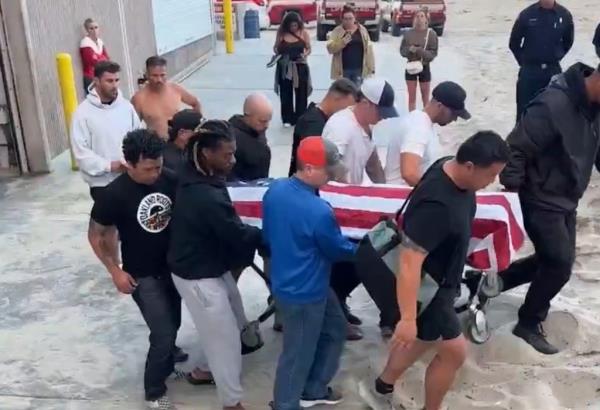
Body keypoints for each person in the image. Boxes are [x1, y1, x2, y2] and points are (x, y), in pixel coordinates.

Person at [359, 131, 510, 410]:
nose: (493, 182)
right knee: (454, 352)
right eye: (491, 175)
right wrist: (406, 318)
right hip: (429, 287)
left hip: (444, 278)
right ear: (469, 167)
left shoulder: (447, 164)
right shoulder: (438, 207)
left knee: (422, 339)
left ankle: (382, 387)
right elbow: (409, 262)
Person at [498, 63, 600, 355]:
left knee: (552, 260)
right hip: (538, 196)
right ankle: (528, 322)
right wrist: (511, 195)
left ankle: (490, 283)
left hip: (566, 197)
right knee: (558, 265)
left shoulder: (595, 109)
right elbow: (515, 148)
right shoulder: (553, 103)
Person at [168, 123, 267, 410]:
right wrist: (267, 234)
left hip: (209, 263)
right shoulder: (204, 195)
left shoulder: (197, 174)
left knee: (234, 317)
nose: (233, 160)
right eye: (227, 155)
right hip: (197, 275)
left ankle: (202, 370)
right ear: (207, 153)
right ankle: (231, 403)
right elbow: (235, 233)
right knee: (224, 340)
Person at [88, 129, 187, 410]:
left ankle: (166, 368)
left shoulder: (169, 179)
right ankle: (154, 392)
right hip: (142, 276)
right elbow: (96, 235)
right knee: (163, 333)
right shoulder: (113, 195)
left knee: (174, 325)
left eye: (158, 166)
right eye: (148, 169)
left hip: (172, 270)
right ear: (129, 164)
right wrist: (115, 271)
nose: (155, 173)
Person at [264, 136, 357, 410]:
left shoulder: (275, 191)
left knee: (336, 329)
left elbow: (269, 236)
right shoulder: (319, 211)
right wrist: (364, 248)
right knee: (297, 354)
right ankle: (285, 404)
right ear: (308, 168)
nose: (331, 178)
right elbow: (337, 250)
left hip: (291, 282)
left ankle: (313, 388)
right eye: (329, 172)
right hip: (305, 293)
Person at [385, 81, 470, 187]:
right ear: (440, 106)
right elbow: (409, 173)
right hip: (403, 196)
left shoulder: (422, 123)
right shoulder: (418, 127)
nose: (455, 119)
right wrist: (436, 194)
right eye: (453, 114)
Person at [322, 77, 397, 185]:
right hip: (338, 195)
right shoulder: (341, 126)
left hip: (352, 193)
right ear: (365, 103)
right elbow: (330, 166)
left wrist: (384, 189)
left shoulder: (369, 126)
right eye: (380, 112)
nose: (383, 117)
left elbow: (373, 164)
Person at [509, 0, 574, 122]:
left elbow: (568, 41)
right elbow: (514, 43)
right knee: (524, 112)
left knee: (554, 112)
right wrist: (524, 62)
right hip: (530, 71)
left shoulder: (564, 15)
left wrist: (556, 56)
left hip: (552, 70)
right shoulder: (526, 15)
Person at [288, 78, 359, 176]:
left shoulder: (320, 118)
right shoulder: (313, 123)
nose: (348, 113)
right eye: (347, 108)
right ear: (336, 98)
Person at [132, 56, 202, 139]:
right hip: (157, 147)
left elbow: (195, 103)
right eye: (154, 75)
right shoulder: (139, 99)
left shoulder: (175, 89)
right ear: (147, 75)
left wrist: (195, 127)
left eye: (162, 75)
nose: (159, 80)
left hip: (178, 144)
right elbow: (133, 128)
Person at [274, 11, 312, 127]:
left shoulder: (304, 33)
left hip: (300, 66)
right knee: (285, 93)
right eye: (291, 26)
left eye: (295, 25)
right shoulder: (281, 34)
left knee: (301, 93)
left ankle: (300, 117)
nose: (293, 28)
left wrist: (305, 55)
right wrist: (279, 55)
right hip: (285, 67)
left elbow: (309, 48)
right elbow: (275, 47)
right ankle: (287, 118)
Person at [326, 4, 375, 86]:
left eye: (350, 18)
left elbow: (369, 49)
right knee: (345, 95)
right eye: (345, 19)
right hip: (343, 70)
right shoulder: (337, 31)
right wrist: (342, 42)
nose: (348, 21)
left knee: (357, 94)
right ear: (342, 19)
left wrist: (371, 67)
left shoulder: (362, 30)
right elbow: (330, 48)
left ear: (355, 18)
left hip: (359, 69)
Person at [400, 8, 439, 112]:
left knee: (425, 98)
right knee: (411, 97)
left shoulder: (431, 34)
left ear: (426, 19)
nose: (419, 19)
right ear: (414, 19)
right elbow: (402, 51)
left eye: (422, 16)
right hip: (411, 66)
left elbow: (433, 54)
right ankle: (412, 119)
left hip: (424, 67)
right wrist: (409, 50)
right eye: (417, 16)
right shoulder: (408, 34)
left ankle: (426, 119)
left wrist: (420, 51)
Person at [228, 93, 273, 182]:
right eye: (262, 121)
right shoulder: (232, 139)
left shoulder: (257, 130)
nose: (267, 126)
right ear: (247, 114)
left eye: (268, 121)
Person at [163, 109, 203, 174]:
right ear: (182, 133)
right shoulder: (170, 161)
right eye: (197, 133)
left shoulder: (189, 153)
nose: (201, 136)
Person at [79, 18, 109, 94]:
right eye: (91, 28)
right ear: (87, 30)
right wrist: (102, 59)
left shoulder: (100, 42)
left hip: (101, 76)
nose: (94, 31)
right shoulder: (85, 43)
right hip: (90, 77)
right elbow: (92, 61)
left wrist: (100, 58)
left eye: (96, 27)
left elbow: (107, 58)